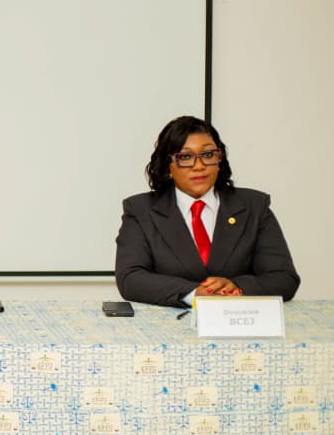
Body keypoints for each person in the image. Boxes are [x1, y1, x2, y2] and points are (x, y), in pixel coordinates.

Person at [115, 115, 299, 307]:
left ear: (219, 159)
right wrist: (194, 294)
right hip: (173, 321)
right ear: (167, 164)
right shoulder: (140, 210)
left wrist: (236, 288)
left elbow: (284, 278)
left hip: (239, 319)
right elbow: (130, 278)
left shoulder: (254, 206)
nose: (199, 166)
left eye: (208, 154)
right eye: (185, 157)